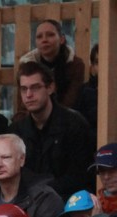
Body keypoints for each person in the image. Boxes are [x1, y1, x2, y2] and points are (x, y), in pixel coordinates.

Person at [10, 61, 93, 200]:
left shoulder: (74, 124)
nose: (28, 95)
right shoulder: (17, 130)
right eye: (24, 89)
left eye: (35, 87)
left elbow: (81, 175)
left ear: (50, 88)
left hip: (69, 202)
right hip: (27, 202)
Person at [15, 20, 86, 116]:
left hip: (65, 118)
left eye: (50, 35)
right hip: (32, 119)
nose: (44, 40)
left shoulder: (75, 65)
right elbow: (22, 105)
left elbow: (71, 101)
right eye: (39, 37)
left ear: (62, 39)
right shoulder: (26, 65)